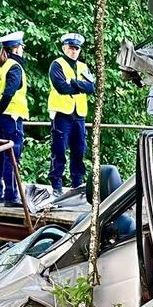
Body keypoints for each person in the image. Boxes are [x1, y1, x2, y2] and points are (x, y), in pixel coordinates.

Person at [47, 32, 96, 197]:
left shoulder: (83, 67)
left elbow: (92, 88)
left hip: (79, 115)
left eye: (77, 48)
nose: (74, 51)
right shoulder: (57, 64)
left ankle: (77, 185)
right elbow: (61, 87)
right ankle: (56, 185)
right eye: (71, 48)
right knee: (59, 150)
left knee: (79, 150)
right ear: (64, 48)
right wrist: (80, 85)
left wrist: (73, 83)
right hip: (62, 114)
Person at [0, 31, 29, 207]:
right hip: (12, 117)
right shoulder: (14, 67)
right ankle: (11, 196)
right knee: (12, 157)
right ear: (17, 49)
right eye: (22, 47)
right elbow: (9, 93)